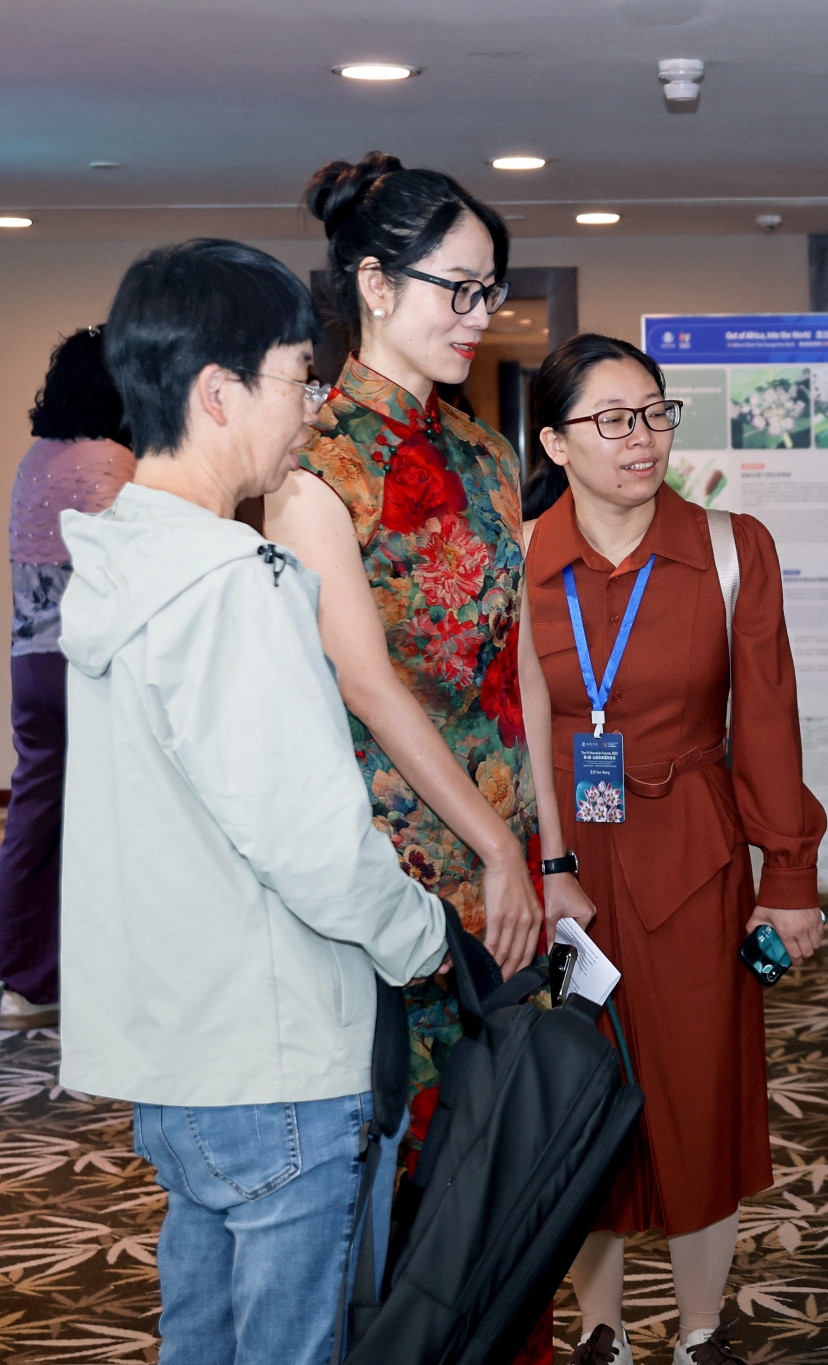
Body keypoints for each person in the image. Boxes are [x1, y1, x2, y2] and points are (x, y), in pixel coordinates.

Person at [60, 238, 447, 1364]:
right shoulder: (229, 590)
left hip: (181, 1051)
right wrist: (423, 937)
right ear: (218, 393)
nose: (313, 412)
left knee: (204, 1336)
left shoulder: (125, 566)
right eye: (298, 381)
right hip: (275, 1054)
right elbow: (311, 842)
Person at [261, 153, 562, 1357]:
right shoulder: (314, 467)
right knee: (400, 1186)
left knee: (506, 1170)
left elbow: (521, 667)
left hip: (501, 860)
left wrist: (545, 853)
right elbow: (365, 683)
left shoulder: (487, 453)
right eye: (459, 289)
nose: (480, 316)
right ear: (376, 285)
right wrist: (494, 849)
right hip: (392, 878)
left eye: (491, 291)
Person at [519, 335, 826, 1365]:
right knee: (573, 1093)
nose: (641, 438)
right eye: (612, 420)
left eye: (654, 413)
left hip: (694, 858)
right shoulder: (517, 559)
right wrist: (535, 864)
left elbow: (768, 722)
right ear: (555, 442)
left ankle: (700, 1329)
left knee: (698, 1090)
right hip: (561, 862)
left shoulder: (732, 548)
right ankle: (599, 1329)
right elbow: (505, 728)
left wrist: (788, 876)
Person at [0, 329, 133, 1032]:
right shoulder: (115, 460)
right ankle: (104, 976)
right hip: (88, 664)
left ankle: (26, 982)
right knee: (110, 822)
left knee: (32, 818)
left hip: (29, 663)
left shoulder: (35, 460)